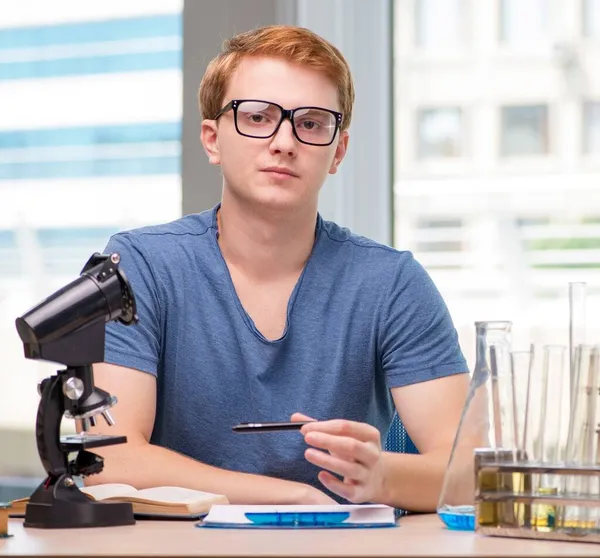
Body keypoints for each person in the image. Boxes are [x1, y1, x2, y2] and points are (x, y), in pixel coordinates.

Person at [86, 24, 470, 511]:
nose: (284, 141)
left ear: (339, 151)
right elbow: (109, 462)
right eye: (258, 117)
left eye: (311, 122)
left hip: (344, 547)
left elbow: (467, 474)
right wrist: (296, 496)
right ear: (212, 139)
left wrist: (382, 476)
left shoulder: (392, 283)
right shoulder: (139, 267)